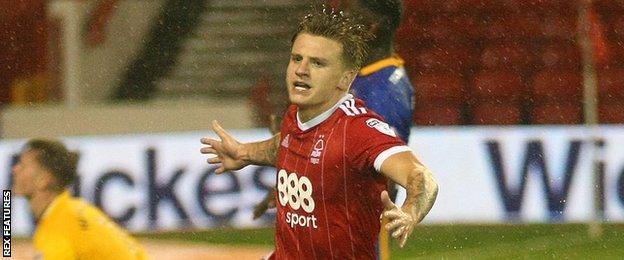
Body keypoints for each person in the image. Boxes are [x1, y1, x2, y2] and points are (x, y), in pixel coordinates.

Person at [201, 5, 437, 259]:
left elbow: (421, 177)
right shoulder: (299, 111)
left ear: (346, 79)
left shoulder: (357, 129)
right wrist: (246, 152)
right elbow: (290, 142)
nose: (301, 70)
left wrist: (410, 211)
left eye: (317, 63)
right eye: (296, 58)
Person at [252, 0, 414, 220]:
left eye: (353, 16)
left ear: (373, 26)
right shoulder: (368, 77)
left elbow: (375, 172)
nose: (344, 22)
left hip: (351, 225)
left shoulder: (382, 94)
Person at [12, 139, 146, 259]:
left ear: (43, 181)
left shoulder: (57, 227)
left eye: (23, 166)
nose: (15, 169)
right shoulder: (74, 210)